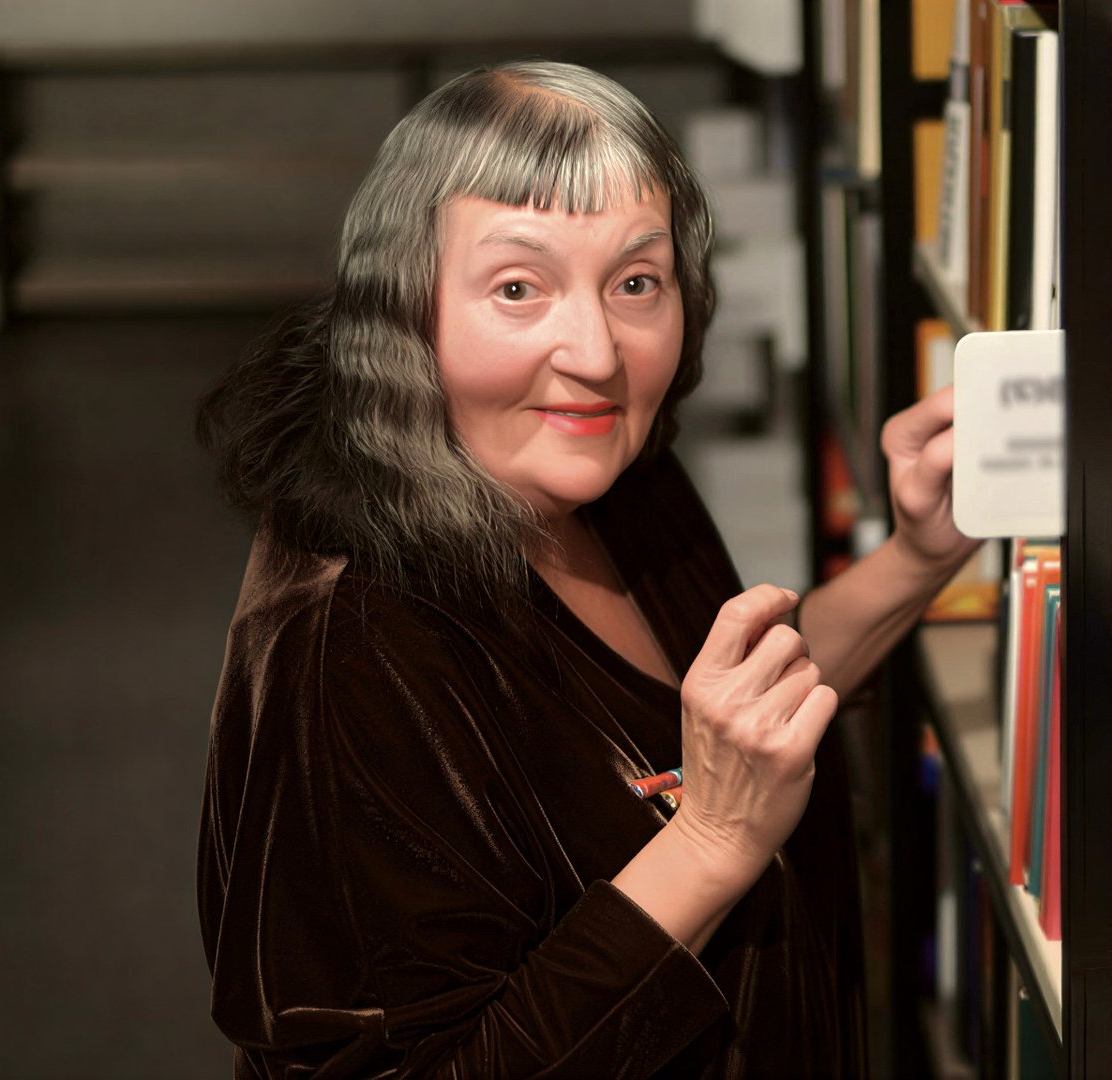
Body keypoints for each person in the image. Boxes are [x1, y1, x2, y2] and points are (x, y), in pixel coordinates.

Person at [195, 59, 977, 1078]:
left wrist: (919, 557)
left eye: (635, 283)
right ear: (404, 309)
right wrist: (712, 842)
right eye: (518, 289)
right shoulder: (351, 644)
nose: (598, 353)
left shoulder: (610, 475)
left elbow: (729, 719)